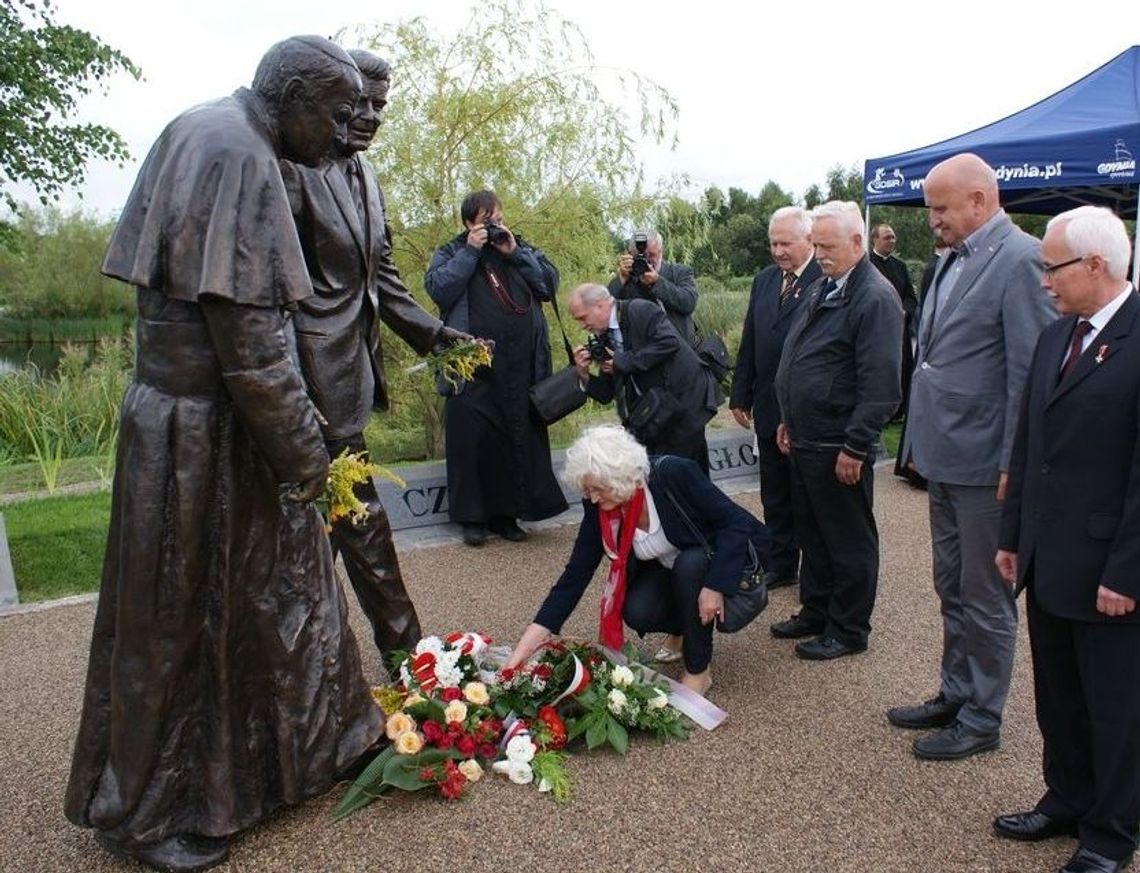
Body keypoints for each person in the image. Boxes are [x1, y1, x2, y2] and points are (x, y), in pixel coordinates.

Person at [64, 37, 382, 873]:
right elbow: (250, 343)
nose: (351, 130)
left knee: (277, 600)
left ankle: (314, 749)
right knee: (180, 621)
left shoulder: (217, 132)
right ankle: (145, 811)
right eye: (342, 113)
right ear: (299, 99)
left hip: (220, 426)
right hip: (196, 434)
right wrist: (311, 458)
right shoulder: (235, 152)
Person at [282, 49, 468, 659]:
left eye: (379, 107)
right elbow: (270, 294)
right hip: (300, 394)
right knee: (320, 545)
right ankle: (373, 667)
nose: (368, 117)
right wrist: (289, 396)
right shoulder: (290, 169)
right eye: (357, 104)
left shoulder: (364, 177)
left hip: (346, 385)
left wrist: (438, 339)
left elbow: (380, 279)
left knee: (359, 529)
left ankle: (407, 660)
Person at [889, 152, 1056, 761]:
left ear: (980, 201)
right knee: (950, 583)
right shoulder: (950, 261)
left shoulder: (1021, 259)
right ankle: (957, 692)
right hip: (943, 455)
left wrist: (1016, 463)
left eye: (940, 208)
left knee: (986, 597)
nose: (931, 219)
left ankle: (983, 716)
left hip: (988, 465)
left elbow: (1028, 376)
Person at [994, 206, 1140, 873]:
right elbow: (1031, 446)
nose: (1044, 280)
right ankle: (1069, 797)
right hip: (1048, 557)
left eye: (1051, 266)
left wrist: (1129, 571)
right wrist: (1011, 536)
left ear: (1095, 266)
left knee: (1116, 709)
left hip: (1110, 566)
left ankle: (1110, 833)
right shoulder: (1058, 336)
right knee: (1058, 692)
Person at [505, 424, 769, 695]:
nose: (593, 498)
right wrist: (525, 647)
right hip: (671, 570)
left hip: (714, 565)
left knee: (690, 565)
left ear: (621, 476)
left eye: (598, 489)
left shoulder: (674, 473)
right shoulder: (600, 506)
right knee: (638, 610)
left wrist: (715, 586)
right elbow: (575, 575)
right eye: (588, 491)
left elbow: (735, 523)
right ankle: (681, 626)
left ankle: (699, 670)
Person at [770, 201, 903, 660]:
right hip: (807, 437)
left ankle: (848, 628)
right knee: (814, 533)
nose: (821, 254)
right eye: (817, 245)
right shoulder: (826, 286)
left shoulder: (874, 297)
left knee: (847, 539)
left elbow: (882, 385)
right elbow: (803, 356)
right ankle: (817, 609)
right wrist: (789, 415)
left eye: (828, 246)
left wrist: (857, 445)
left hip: (837, 442)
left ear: (856, 242)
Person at [425, 190, 568, 547]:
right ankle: (472, 519)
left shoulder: (520, 247)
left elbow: (549, 286)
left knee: (514, 437)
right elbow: (439, 290)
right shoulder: (451, 251)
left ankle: (507, 515)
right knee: (471, 442)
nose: (492, 226)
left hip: (518, 365)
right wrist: (471, 251)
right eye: (483, 220)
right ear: (467, 223)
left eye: (496, 218)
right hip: (470, 367)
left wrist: (516, 253)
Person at [730, 206, 820, 591]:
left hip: (803, 410)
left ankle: (816, 572)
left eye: (786, 243)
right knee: (775, 494)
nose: (778, 251)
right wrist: (740, 391)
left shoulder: (823, 279)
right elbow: (752, 338)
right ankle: (781, 564)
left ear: (809, 240)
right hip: (767, 405)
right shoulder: (765, 280)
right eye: (773, 243)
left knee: (807, 498)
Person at [568, 283, 719, 473]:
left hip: (685, 403)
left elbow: (668, 342)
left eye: (582, 317)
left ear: (600, 305)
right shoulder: (604, 336)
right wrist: (583, 375)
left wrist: (621, 361)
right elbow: (607, 393)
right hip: (656, 415)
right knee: (664, 478)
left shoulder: (640, 309)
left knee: (687, 477)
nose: (582, 326)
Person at [608, 228, 699, 345]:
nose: (647, 261)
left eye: (651, 255)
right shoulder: (627, 279)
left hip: (680, 351)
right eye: (641, 256)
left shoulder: (679, 272)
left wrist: (657, 282)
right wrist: (620, 279)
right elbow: (604, 310)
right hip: (643, 356)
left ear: (660, 251)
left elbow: (688, 303)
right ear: (630, 255)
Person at [869, 223, 919, 419]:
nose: (892, 241)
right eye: (887, 237)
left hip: (899, 329)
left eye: (893, 237)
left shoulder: (900, 266)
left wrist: (904, 311)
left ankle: (899, 410)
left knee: (902, 368)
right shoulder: (867, 264)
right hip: (876, 330)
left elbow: (910, 296)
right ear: (875, 239)